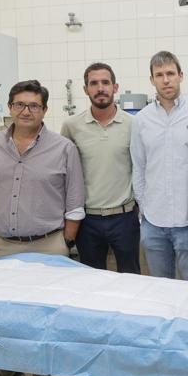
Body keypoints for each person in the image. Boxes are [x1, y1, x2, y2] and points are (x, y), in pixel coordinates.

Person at [0, 79, 85, 376]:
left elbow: (75, 201)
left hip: (48, 242)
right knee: (4, 313)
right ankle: (6, 370)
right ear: (10, 108)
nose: (26, 111)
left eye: (33, 105)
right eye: (19, 104)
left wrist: (65, 242)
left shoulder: (63, 148)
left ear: (44, 110)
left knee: (45, 312)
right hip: (1, 245)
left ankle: (43, 371)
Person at [130, 51, 188, 281]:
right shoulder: (141, 120)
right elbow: (139, 167)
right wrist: (145, 209)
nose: (166, 80)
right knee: (160, 290)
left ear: (181, 76)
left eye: (170, 73)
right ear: (152, 80)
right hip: (153, 224)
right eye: (159, 75)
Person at [61, 62, 140, 274]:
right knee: (91, 283)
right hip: (87, 221)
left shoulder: (133, 125)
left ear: (115, 87)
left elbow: (141, 168)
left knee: (131, 279)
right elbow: (65, 174)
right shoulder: (71, 126)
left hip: (124, 217)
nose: (100, 88)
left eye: (105, 82)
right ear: (85, 89)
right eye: (93, 83)